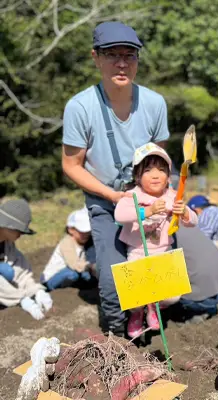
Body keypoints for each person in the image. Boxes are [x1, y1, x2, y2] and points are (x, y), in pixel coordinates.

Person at [61, 21, 170, 336]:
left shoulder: (154, 103)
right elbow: (71, 164)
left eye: (130, 55)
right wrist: (111, 196)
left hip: (148, 202)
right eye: (112, 55)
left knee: (157, 272)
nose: (122, 63)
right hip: (105, 202)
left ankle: (153, 325)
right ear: (96, 57)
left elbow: (159, 161)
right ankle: (117, 338)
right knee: (112, 281)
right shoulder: (80, 107)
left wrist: (164, 199)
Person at [114, 143, 198, 338]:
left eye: (161, 170)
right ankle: (137, 313)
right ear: (137, 176)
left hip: (163, 252)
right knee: (134, 296)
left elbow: (194, 221)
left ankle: (153, 306)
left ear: (168, 176)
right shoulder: (132, 195)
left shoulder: (172, 196)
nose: (155, 175)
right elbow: (120, 215)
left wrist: (184, 212)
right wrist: (147, 211)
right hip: (137, 251)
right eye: (148, 170)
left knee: (173, 297)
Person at [172, 225, 218, 323]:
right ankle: (207, 305)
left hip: (204, 298)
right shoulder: (186, 223)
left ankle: (199, 312)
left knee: (170, 290)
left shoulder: (162, 238)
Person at [0, 199, 53, 320]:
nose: (21, 234)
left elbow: (21, 272)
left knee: (8, 270)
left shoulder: (8, 245)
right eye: (19, 230)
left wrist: (36, 291)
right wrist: (21, 299)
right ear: (7, 225)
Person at [41, 208, 96, 291]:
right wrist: (91, 266)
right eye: (82, 231)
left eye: (88, 231)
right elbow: (74, 264)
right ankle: (53, 289)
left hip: (76, 271)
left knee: (89, 277)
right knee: (72, 274)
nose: (86, 234)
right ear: (71, 230)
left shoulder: (87, 242)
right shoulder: (66, 242)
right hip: (53, 277)